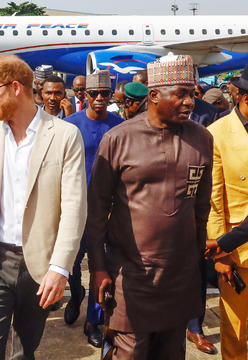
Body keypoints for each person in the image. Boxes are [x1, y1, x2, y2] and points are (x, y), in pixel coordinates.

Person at [0, 55, 87, 359]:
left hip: (38, 265)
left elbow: (74, 208)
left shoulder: (64, 136)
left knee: (24, 352)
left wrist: (60, 267)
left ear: (15, 88)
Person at [87, 55, 213, 360]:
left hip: (179, 276)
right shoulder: (119, 139)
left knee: (171, 353)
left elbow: (201, 205)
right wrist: (98, 267)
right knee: (129, 353)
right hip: (130, 275)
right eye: (180, 94)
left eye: (192, 94)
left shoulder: (202, 139)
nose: (189, 103)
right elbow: (96, 208)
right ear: (154, 96)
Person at [63, 70, 123, 348]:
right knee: (72, 266)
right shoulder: (70, 125)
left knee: (102, 267)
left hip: (108, 210)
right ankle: (75, 297)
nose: (99, 99)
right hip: (75, 208)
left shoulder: (120, 126)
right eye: (94, 94)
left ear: (111, 96)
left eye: (105, 94)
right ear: (84, 95)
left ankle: (93, 322)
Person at [206, 65, 248, 360]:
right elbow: (213, 200)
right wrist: (220, 254)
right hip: (237, 252)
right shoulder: (217, 133)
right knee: (235, 331)